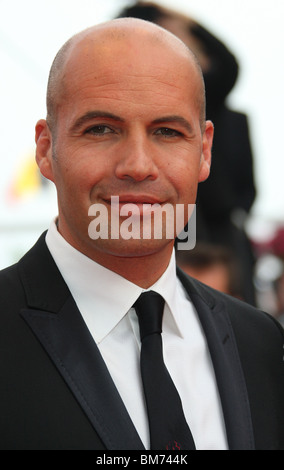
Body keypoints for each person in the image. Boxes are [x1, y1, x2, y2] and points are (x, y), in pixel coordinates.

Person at [0, 18, 283, 451]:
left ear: (204, 152)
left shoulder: (260, 344)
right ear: (46, 149)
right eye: (101, 129)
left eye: (167, 132)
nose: (137, 165)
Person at [117, 1, 257, 306]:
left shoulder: (206, 98)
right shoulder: (126, 93)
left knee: (229, 311)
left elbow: (227, 65)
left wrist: (180, 19)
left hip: (216, 222)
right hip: (155, 220)